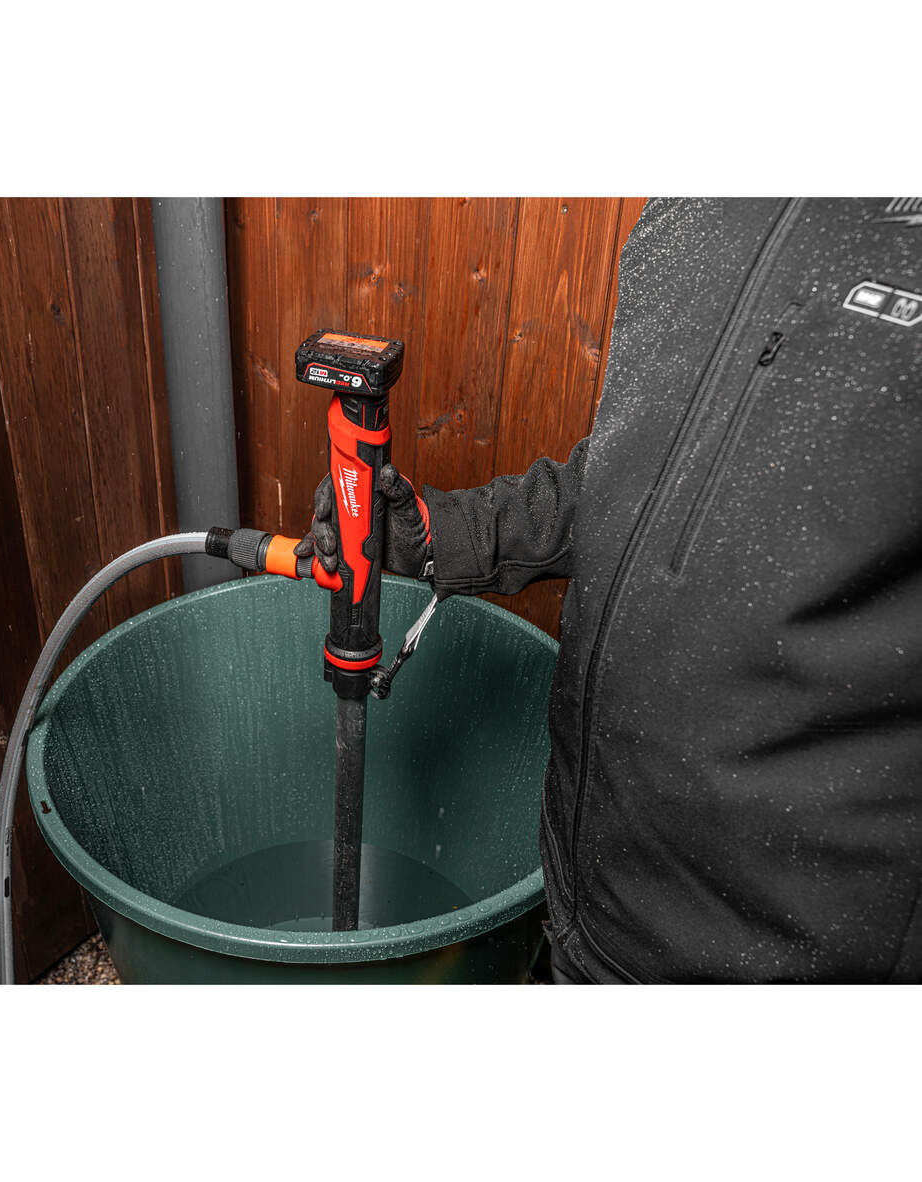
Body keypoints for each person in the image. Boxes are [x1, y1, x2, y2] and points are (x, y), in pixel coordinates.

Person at [297, 198, 922, 983]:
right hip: (588, 881)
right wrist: (448, 534)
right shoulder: (696, 207)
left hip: (789, 954)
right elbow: (646, 474)